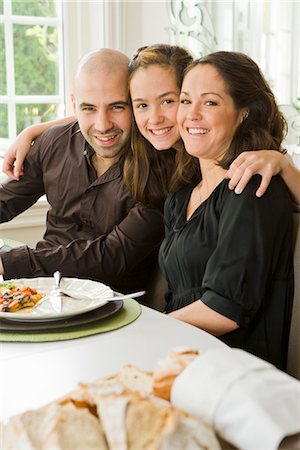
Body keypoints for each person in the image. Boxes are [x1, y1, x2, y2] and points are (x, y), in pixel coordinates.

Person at [4, 45, 300, 208]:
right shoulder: (150, 149)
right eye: (141, 105)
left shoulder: (221, 155)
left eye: (170, 101)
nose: (155, 118)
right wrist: (35, 130)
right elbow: (106, 113)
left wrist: (282, 164)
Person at [158, 51, 294, 370]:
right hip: (178, 356)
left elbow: (224, 311)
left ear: (244, 113)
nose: (191, 115)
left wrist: (148, 332)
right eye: (185, 100)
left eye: (210, 102)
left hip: (232, 371)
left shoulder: (252, 187)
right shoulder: (179, 198)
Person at [0, 49, 164, 294]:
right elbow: (6, 201)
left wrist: (10, 262)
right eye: (89, 108)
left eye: (117, 107)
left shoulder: (160, 168)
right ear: (74, 105)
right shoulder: (54, 142)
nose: (103, 125)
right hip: (41, 291)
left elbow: (113, 256)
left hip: (113, 303)